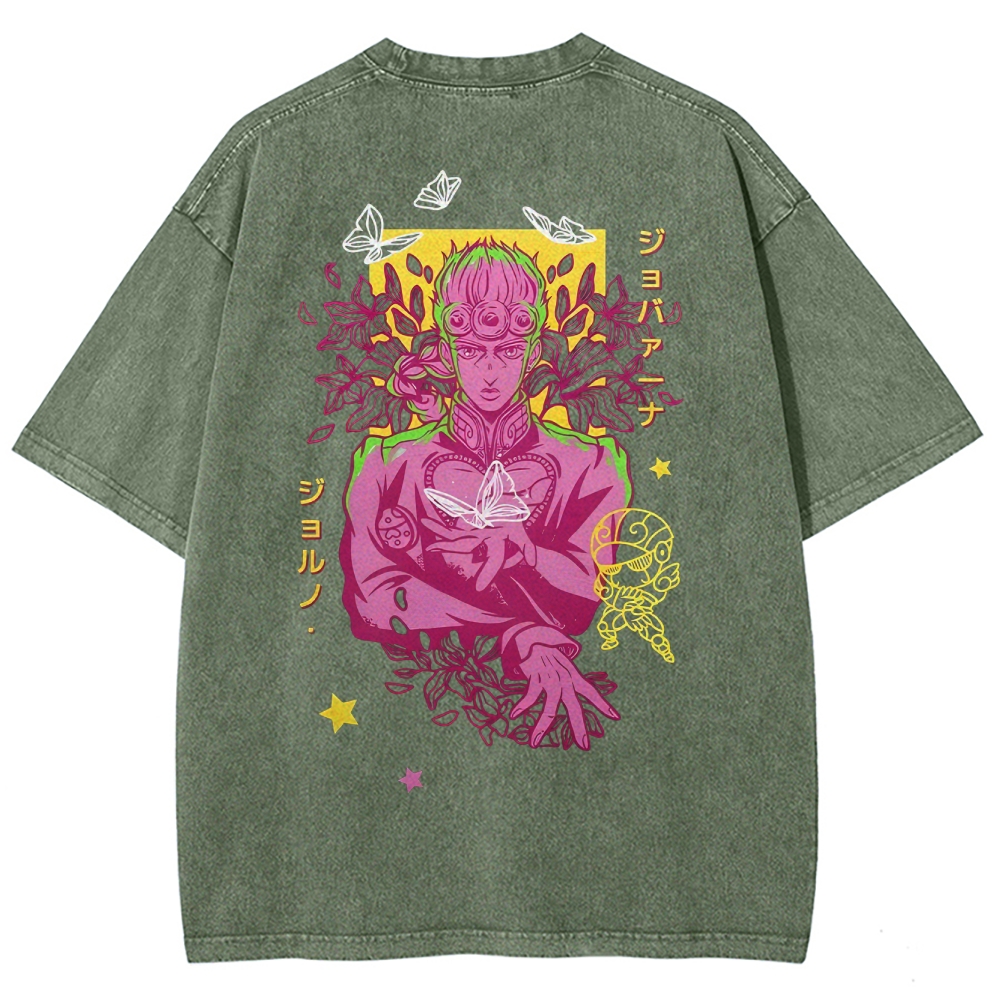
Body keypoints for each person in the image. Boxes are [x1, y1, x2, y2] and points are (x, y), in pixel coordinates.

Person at [339, 237, 632, 750]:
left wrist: (528, 552)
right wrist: (521, 634)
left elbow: (589, 598)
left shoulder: (592, 464)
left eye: (509, 351)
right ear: (447, 353)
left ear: (534, 352)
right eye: (472, 351)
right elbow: (376, 600)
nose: (490, 372)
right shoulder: (385, 464)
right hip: (401, 730)